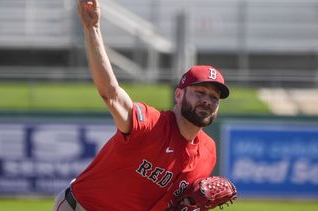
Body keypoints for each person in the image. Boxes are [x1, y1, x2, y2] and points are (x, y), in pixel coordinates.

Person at [53, 0, 230, 210]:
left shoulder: (208, 152)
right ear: (179, 95)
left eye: (214, 98)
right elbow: (112, 95)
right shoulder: (150, 123)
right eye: (199, 92)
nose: (207, 101)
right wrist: (92, 28)